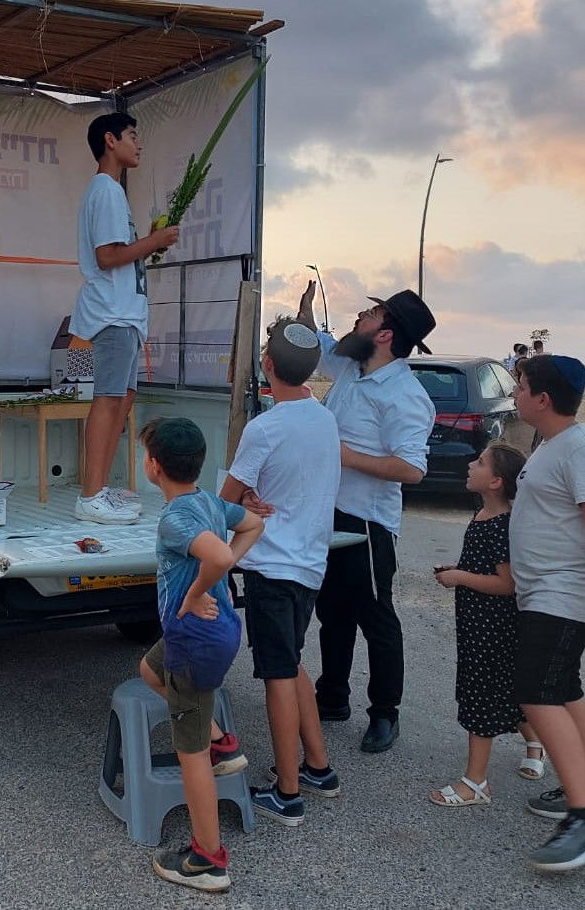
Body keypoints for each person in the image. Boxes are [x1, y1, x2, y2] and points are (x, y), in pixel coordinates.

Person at [289, 282, 437, 754]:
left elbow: (412, 468)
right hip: (328, 510)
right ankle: (332, 697)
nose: (360, 315)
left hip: (367, 522)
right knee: (333, 611)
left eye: (371, 313)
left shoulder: (405, 395)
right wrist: (306, 312)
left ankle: (384, 714)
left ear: (385, 335)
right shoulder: (353, 366)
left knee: (376, 618)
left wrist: (343, 455)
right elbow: (318, 348)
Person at [220, 317, 342, 826]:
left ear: (266, 367)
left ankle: (287, 792)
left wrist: (244, 497)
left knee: (276, 675)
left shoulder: (264, 426)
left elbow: (226, 499)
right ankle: (318, 767)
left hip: (273, 566)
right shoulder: (324, 418)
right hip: (310, 562)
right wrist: (252, 494)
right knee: (292, 665)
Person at [508, 354, 585, 871]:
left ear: (543, 399)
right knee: (564, 691)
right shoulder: (552, 444)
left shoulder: (582, 449)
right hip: (544, 593)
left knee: (536, 693)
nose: (514, 394)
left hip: (563, 596)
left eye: (520, 386)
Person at [139, 417, 264, 893]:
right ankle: (223, 743)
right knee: (149, 669)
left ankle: (208, 860)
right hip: (212, 630)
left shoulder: (175, 517)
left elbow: (221, 558)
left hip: (195, 637)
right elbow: (253, 523)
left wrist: (194, 594)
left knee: (188, 754)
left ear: (153, 466)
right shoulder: (210, 501)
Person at [71, 112, 180, 525]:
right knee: (109, 399)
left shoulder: (112, 192)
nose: (139, 144)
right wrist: (153, 241)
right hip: (112, 314)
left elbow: (119, 252)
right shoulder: (106, 191)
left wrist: (146, 242)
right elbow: (107, 256)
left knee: (122, 400)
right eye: (133, 136)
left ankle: (98, 488)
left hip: (126, 314)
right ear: (110, 140)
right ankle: (90, 495)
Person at [429, 441, 547, 808]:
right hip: (477, 624)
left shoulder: (503, 525)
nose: (469, 465)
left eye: (479, 462)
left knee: (482, 696)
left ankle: (475, 782)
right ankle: (535, 743)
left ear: (496, 481)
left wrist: (461, 577)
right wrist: (460, 570)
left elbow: (506, 584)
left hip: (493, 629)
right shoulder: (483, 516)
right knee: (509, 691)